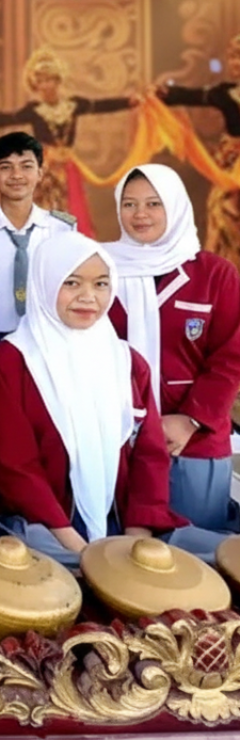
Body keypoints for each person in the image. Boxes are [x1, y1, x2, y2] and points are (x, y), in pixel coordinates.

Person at [0, 231, 226, 567]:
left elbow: (149, 454)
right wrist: (81, 549)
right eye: (72, 283)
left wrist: (137, 538)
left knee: (220, 556)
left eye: (101, 284)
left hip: (123, 519)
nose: (88, 297)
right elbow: (15, 469)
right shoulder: (9, 363)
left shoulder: (126, 362)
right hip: (42, 522)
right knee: (45, 567)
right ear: (44, 284)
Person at [106, 164, 240, 532]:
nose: (140, 215)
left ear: (176, 207)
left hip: (192, 442)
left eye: (153, 203)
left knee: (195, 559)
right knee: (120, 558)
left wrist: (188, 421)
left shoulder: (216, 274)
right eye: (129, 204)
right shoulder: (102, 270)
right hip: (115, 437)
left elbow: (230, 360)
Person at [0, 132, 77, 394]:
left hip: (48, 343)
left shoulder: (63, 230)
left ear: (40, 172)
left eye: (26, 166)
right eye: (6, 167)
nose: (16, 175)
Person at [0, 47, 139, 237]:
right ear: (36, 85)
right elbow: (6, 118)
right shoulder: (34, 110)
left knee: (72, 206)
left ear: (58, 80)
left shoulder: (73, 105)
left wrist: (129, 102)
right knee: (46, 207)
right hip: (46, 167)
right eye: (41, 81)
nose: (46, 85)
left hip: (68, 166)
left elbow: (102, 105)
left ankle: (70, 244)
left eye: (50, 79)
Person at [157, 34, 240, 270]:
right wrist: (165, 95)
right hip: (230, 164)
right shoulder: (225, 93)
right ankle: (228, 276)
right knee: (223, 214)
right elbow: (192, 96)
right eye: (233, 57)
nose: (235, 63)